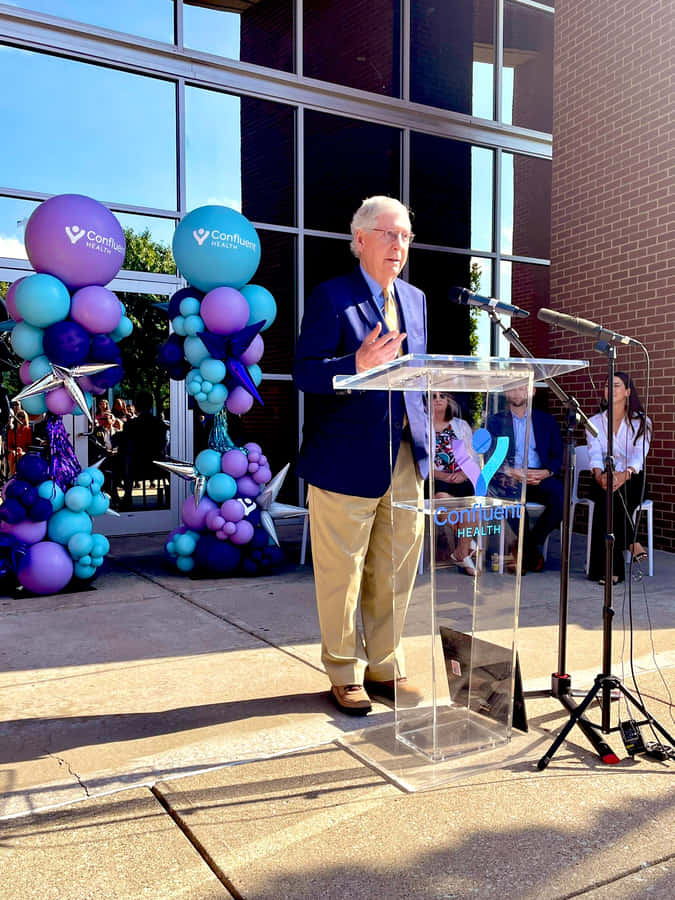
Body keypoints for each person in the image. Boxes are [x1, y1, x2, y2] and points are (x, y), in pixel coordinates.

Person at [294, 195, 429, 716]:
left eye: (405, 236)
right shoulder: (332, 298)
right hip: (344, 460)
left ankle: (385, 665)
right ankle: (345, 673)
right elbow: (306, 373)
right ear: (360, 240)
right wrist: (354, 362)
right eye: (389, 234)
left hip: (404, 459)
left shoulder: (416, 300)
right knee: (343, 576)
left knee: (396, 570)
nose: (398, 245)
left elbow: (418, 376)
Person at [488, 386, 564, 573]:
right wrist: (509, 471)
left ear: (532, 391)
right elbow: (488, 454)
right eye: (513, 389)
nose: (516, 393)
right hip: (510, 477)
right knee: (514, 504)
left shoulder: (546, 420)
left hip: (539, 475)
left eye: (522, 389)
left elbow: (558, 455)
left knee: (561, 497)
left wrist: (546, 472)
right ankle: (531, 553)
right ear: (506, 393)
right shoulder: (495, 421)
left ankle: (527, 547)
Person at [586, 372, 652, 585]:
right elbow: (594, 453)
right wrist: (600, 475)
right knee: (608, 497)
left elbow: (638, 456)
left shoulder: (642, 421)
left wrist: (624, 475)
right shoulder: (595, 421)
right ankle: (632, 543)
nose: (610, 390)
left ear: (627, 392)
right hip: (603, 477)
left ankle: (609, 570)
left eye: (616, 385)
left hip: (633, 477)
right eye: (607, 386)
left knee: (611, 501)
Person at [432, 391, 478, 574]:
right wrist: (441, 476)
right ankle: (466, 545)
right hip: (435, 479)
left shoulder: (460, 425)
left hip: (460, 476)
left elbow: (471, 456)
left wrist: (464, 475)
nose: (437, 400)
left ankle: (461, 553)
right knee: (442, 499)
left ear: (449, 401)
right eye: (432, 397)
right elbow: (419, 459)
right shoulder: (422, 426)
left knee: (471, 506)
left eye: (441, 396)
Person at [117, 391, 169, 509]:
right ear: (151, 405)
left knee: (122, 459)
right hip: (157, 466)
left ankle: (126, 496)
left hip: (135, 467)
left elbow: (123, 445)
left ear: (136, 405)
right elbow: (163, 444)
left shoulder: (131, 424)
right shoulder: (159, 424)